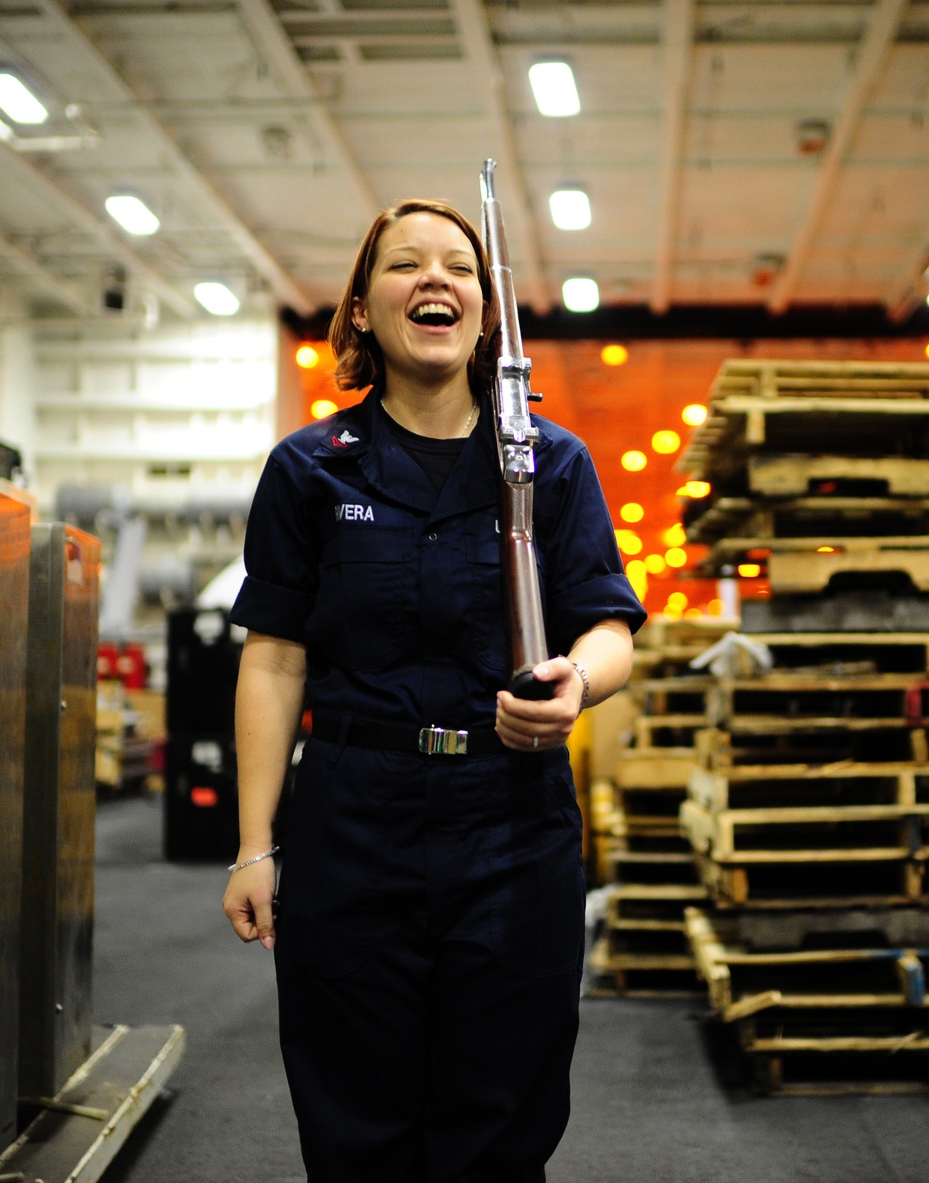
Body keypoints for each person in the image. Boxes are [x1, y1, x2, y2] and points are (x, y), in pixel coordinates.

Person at [222, 197, 646, 1183]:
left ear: (486, 310)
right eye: (404, 263)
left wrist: (577, 681)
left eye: (458, 265)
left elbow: (609, 627)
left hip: (513, 825)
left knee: (501, 1115)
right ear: (361, 309)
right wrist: (253, 845)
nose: (434, 279)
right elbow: (274, 659)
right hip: (352, 826)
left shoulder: (550, 464)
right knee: (353, 1112)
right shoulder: (308, 470)